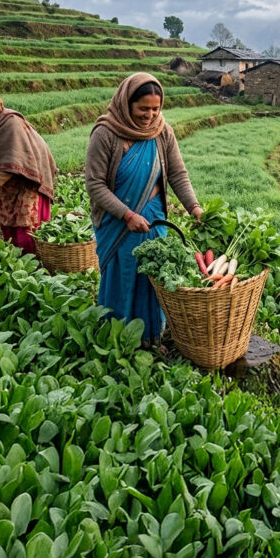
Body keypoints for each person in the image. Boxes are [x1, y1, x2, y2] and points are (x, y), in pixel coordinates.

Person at [85, 72, 202, 351]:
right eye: (143, 109)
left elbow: (177, 174)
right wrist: (126, 214)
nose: (150, 115)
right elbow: (95, 186)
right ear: (127, 104)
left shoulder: (162, 132)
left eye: (155, 108)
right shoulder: (106, 134)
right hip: (118, 221)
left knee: (153, 276)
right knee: (123, 274)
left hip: (154, 217)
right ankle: (118, 338)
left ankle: (151, 336)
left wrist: (194, 206)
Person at [0, 90, 57, 255]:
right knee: (8, 219)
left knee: (26, 221)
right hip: (6, 175)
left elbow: (17, 161)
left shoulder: (11, 124)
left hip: (29, 172)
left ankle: (35, 261)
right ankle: (15, 259)